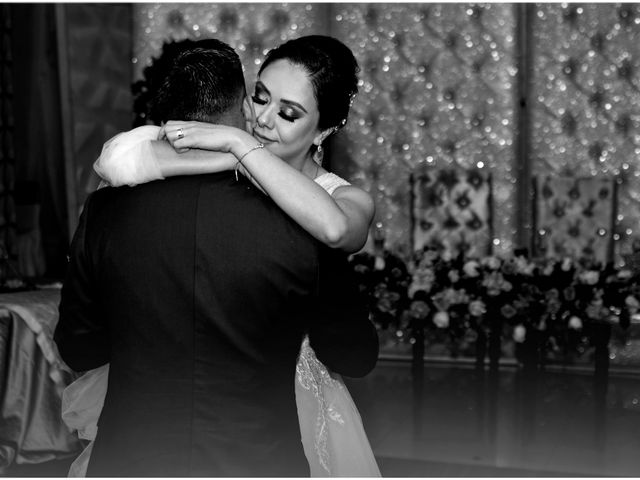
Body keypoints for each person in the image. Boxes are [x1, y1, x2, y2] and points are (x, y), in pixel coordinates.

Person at [55, 40, 379, 477]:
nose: (262, 119)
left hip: (276, 421)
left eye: (288, 113)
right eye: (260, 97)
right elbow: (119, 160)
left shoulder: (327, 209)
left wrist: (235, 141)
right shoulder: (205, 174)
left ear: (323, 130)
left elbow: (339, 235)